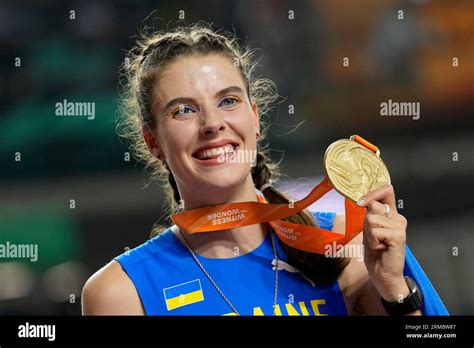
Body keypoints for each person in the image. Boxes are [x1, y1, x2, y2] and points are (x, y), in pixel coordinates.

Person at [81, 23, 447, 316]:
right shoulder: (121, 293)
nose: (212, 123)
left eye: (228, 101)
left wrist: (394, 290)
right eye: (183, 110)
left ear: (254, 118)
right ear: (153, 142)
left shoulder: (344, 245)